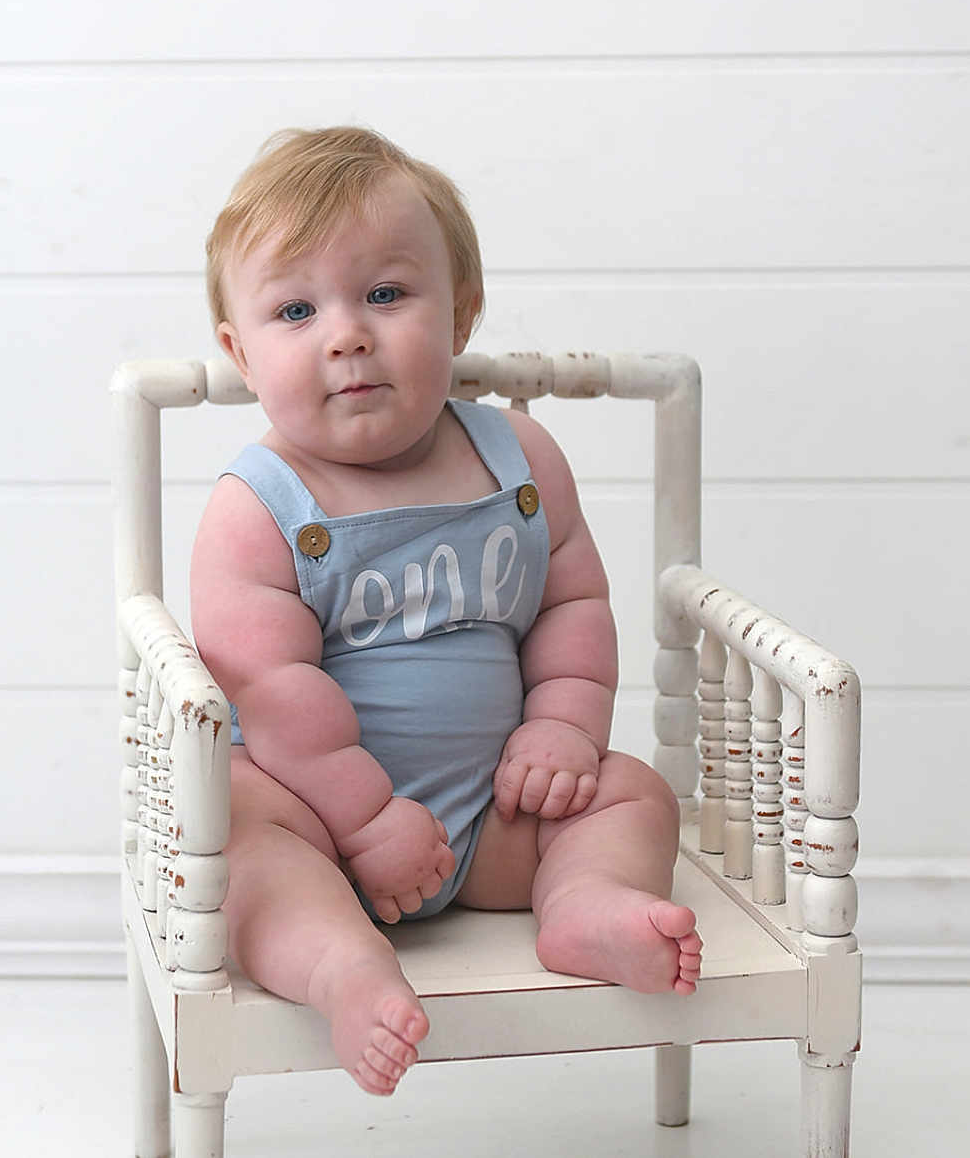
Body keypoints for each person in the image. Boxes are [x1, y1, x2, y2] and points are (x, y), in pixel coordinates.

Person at [191, 126, 701, 1097]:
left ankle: (586, 901)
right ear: (240, 352)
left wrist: (561, 728)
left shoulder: (520, 458)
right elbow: (271, 684)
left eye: (385, 294)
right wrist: (366, 818)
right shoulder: (259, 506)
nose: (347, 332)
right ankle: (341, 968)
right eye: (296, 309)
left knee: (634, 791)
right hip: (325, 821)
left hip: (496, 811)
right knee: (243, 842)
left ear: (460, 312)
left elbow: (573, 603)